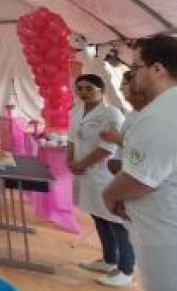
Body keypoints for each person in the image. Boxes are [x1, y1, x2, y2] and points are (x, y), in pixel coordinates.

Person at [102, 35, 177, 291]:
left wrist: (110, 195)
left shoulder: (165, 115)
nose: (132, 76)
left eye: (136, 68)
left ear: (157, 69)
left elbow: (139, 180)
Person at [67, 74, 133, 287]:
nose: (83, 92)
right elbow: (71, 138)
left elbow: (108, 147)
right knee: (98, 217)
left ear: (101, 90)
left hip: (103, 174)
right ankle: (108, 259)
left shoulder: (110, 113)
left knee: (116, 222)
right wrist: (70, 159)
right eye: (80, 88)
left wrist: (82, 164)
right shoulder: (76, 111)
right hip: (85, 174)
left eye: (89, 88)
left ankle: (126, 269)